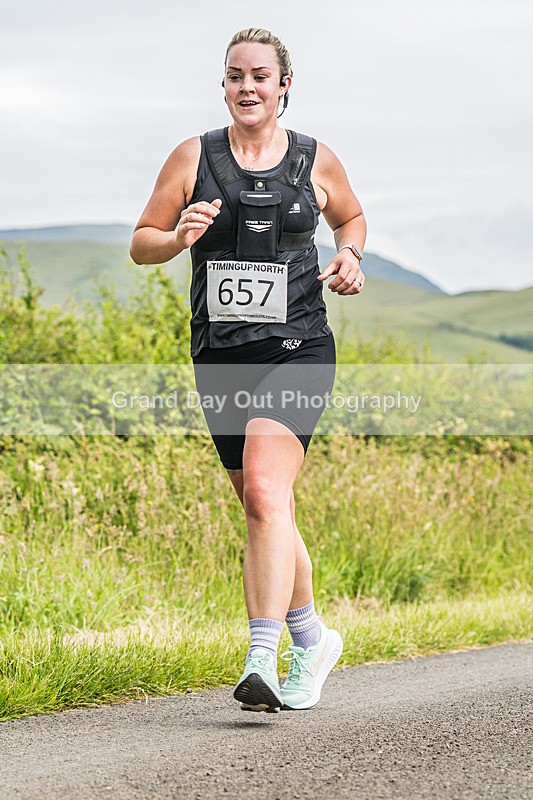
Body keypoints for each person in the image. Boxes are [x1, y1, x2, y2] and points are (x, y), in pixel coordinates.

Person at [130, 27, 366, 713]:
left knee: (265, 493)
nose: (247, 87)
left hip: (297, 349)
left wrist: (350, 256)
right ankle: (312, 637)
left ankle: (260, 657)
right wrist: (176, 238)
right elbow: (141, 243)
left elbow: (350, 217)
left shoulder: (313, 160)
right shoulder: (191, 157)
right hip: (220, 358)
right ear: (224, 84)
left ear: (283, 84)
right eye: (235, 75)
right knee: (265, 510)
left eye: (260, 75)